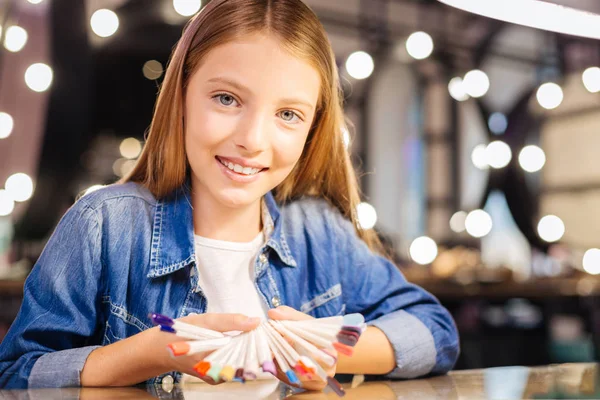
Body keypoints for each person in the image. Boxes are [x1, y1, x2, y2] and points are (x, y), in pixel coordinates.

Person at [0, 0, 459, 390]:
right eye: (226, 99)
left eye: (288, 114)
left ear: (313, 127)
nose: (253, 139)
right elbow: (17, 373)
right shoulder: (104, 226)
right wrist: (151, 354)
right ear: (180, 96)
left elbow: (435, 332)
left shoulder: (317, 231)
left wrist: (330, 350)